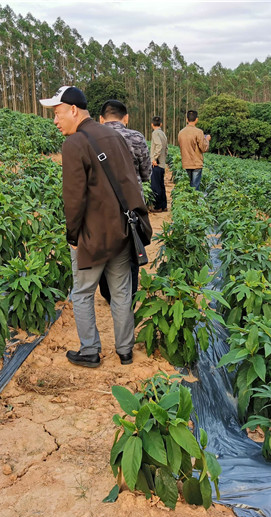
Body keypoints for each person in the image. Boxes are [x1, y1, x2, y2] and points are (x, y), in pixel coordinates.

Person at [40, 85, 151, 368]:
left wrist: (73, 235)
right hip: (122, 230)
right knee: (122, 291)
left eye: (57, 112)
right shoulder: (114, 137)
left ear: (73, 110)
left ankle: (90, 350)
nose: (55, 120)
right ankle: (125, 351)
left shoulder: (74, 143)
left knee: (82, 292)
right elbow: (130, 182)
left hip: (92, 235)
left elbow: (73, 198)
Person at [98, 99, 150, 304]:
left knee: (104, 250)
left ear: (101, 119)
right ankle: (128, 296)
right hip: (131, 203)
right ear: (126, 118)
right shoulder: (136, 137)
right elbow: (146, 174)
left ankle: (108, 294)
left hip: (101, 206)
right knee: (131, 250)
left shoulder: (91, 138)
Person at [177, 110, 211, 191]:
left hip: (186, 163)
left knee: (188, 186)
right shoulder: (199, 132)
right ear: (196, 119)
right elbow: (204, 148)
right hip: (196, 163)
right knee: (195, 188)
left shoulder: (181, 132)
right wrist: (207, 140)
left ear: (186, 119)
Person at [149, 116, 168, 212]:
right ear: (161, 124)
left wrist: (154, 159)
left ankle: (158, 207)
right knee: (161, 185)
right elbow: (166, 149)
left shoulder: (155, 133)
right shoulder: (163, 134)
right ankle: (164, 205)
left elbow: (159, 145)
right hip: (162, 163)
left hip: (156, 163)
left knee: (155, 186)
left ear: (152, 124)